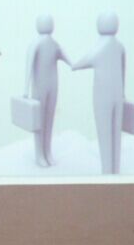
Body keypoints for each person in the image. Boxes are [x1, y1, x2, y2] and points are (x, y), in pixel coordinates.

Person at [72, 11, 126, 174]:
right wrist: (123, 93)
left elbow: (85, 60)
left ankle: (107, 171)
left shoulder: (100, 47)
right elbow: (123, 70)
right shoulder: (120, 47)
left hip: (103, 97)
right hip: (118, 95)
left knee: (104, 134)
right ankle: (116, 169)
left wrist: (74, 65)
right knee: (116, 134)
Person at [24, 14, 71, 166]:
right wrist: (25, 88)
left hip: (53, 85)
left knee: (49, 119)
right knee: (39, 120)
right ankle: (39, 154)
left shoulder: (54, 44)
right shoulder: (35, 44)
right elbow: (29, 66)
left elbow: (65, 56)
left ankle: (48, 152)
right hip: (40, 87)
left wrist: (74, 64)